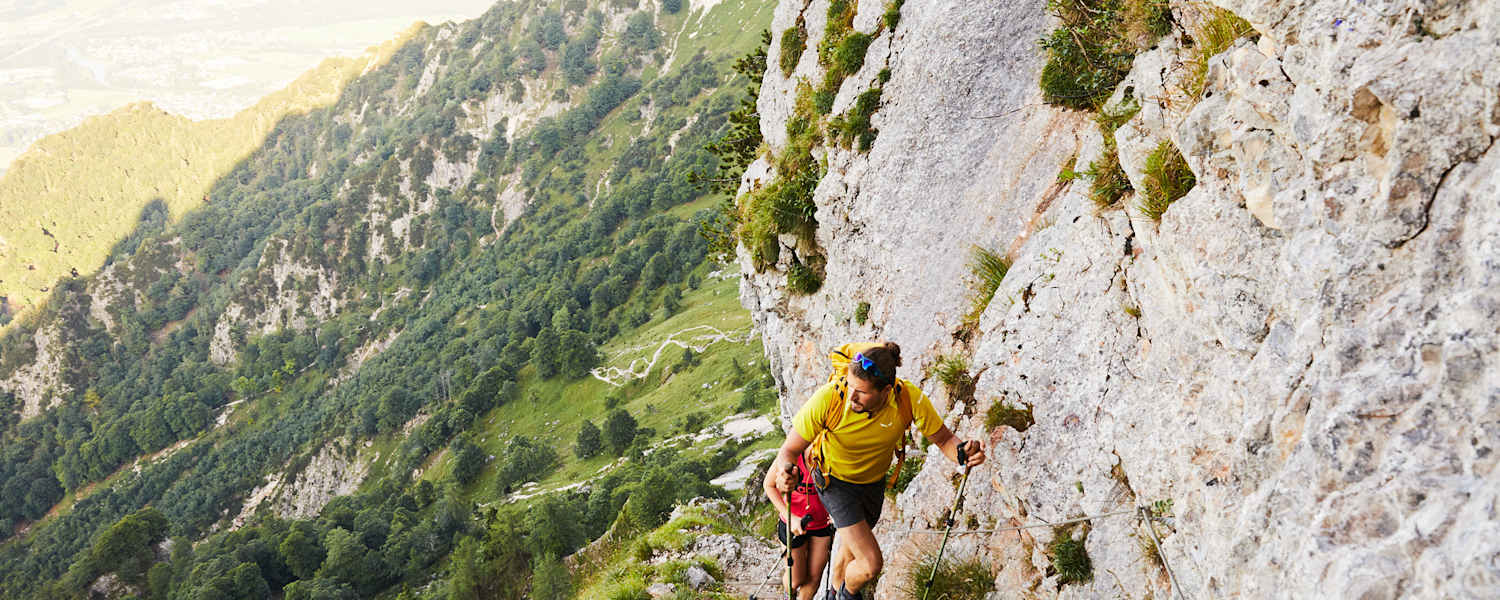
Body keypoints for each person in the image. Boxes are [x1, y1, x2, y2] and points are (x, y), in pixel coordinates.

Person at [771, 342, 985, 600]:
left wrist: (962, 452)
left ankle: (834, 592)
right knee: (870, 564)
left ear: (885, 390)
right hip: (833, 483)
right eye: (850, 386)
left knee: (850, 554)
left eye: (861, 392)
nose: (851, 398)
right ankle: (847, 596)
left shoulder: (908, 399)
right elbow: (790, 449)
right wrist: (786, 470)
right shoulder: (830, 398)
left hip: (872, 485)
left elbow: (943, 440)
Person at [762, 451, 834, 600]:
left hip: (822, 525)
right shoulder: (791, 454)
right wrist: (791, 518)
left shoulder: (833, 454)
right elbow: (769, 485)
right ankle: (789, 595)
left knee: (814, 578)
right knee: (795, 580)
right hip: (792, 524)